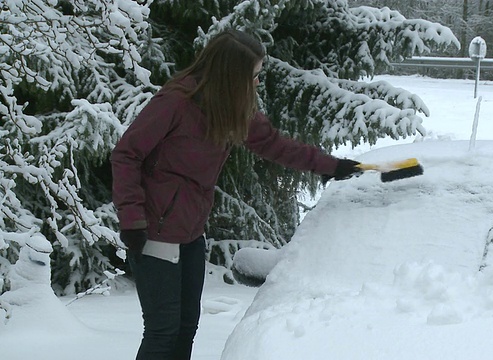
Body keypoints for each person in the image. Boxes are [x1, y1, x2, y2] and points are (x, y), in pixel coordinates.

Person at [110, 29, 361, 360]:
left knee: (186, 327)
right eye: (253, 75)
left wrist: (331, 165)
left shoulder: (232, 108)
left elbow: (275, 146)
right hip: (154, 233)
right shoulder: (175, 103)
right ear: (231, 75)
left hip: (190, 234)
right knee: (162, 330)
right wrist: (131, 218)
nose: (257, 82)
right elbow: (126, 154)